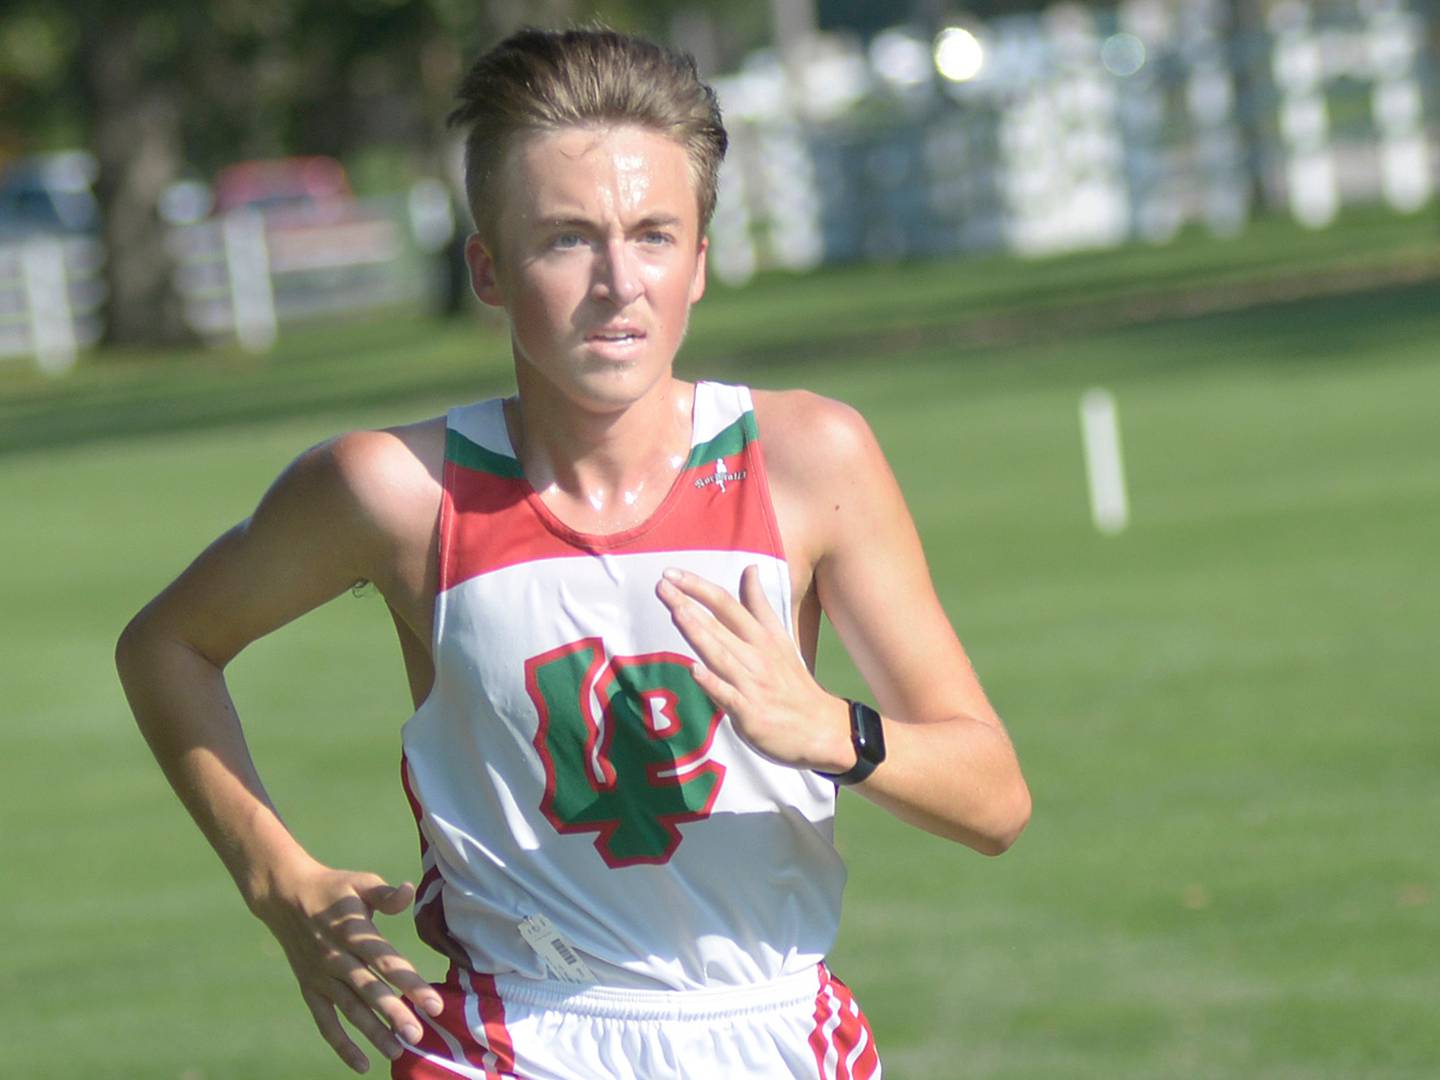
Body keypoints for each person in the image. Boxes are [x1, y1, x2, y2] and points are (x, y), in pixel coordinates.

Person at [116, 26, 1030, 1080]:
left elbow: (995, 799)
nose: (617, 282)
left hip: (778, 1032)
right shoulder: (397, 492)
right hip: (510, 1037)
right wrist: (277, 882)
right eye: (565, 239)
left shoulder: (808, 458)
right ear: (489, 269)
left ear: (701, 260)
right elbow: (166, 646)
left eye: (653, 234)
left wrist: (829, 728)